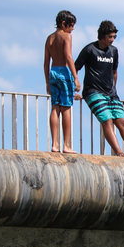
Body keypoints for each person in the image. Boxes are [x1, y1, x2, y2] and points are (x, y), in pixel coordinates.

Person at [75, 20, 124, 158]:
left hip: (111, 93)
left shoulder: (114, 51)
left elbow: (114, 71)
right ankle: (118, 151)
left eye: (114, 37)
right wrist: (74, 86)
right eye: (110, 37)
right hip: (93, 91)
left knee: (122, 122)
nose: (112, 40)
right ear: (103, 36)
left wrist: (113, 89)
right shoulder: (89, 49)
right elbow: (75, 68)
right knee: (107, 120)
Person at [44, 10, 81, 154]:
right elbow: (68, 57)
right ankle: (66, 145)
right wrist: (75, 78)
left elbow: (46, 62)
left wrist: (47, 81)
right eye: (71, 25)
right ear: (64, 24)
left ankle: (54, 144)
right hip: (64, 72)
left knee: (55, 107)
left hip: (53, 72)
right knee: (66, 108)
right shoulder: (67, 36)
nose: (73, 29)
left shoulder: (49, 38)